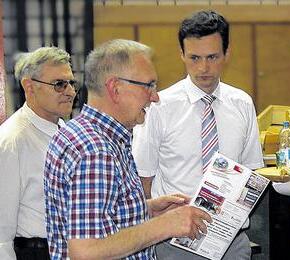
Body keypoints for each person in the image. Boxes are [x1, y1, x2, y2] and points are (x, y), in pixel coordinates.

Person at [44, 39, 212, 259]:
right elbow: (86, 252)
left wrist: (145, 210)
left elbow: (93, 219)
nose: (155, 96)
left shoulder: (83, 133)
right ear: (115, 88)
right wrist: (165, 225)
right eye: (149, 85)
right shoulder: (95, 151)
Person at [132, 10, 264, 260]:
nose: (203, 68)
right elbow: (143, 182)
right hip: (175, 241)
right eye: (194, 58)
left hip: (231, 241)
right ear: (181, 54)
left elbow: (250, 175)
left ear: (227, 53)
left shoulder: (242, 103)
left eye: (212, 57)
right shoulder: (160, 106)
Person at [0, 47, 77, 260]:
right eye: (59, 84)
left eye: (71, 83)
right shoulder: (12, 141)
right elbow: (1, 234)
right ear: (29, 87)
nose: (70, 92)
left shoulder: (65, 131)